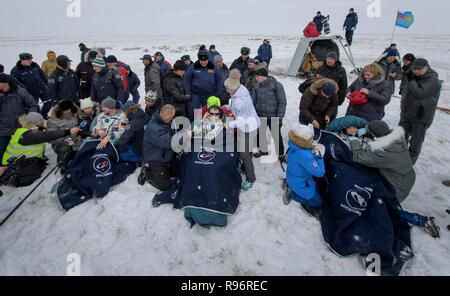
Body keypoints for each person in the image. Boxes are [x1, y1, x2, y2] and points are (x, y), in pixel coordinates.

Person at [349, 120, 439, 237]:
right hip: (406, 177)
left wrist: (354, 139)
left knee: (380, 209)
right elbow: (379, 134)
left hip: (398, 187)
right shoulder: (397, 139)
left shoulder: (384, 153)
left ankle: (419, 219)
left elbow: (359, 157)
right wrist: (366, 131)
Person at [1, 112, 80, 186]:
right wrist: (68, 131)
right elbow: (47, 136)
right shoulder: (27, 134)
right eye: (40, 120)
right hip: (12, 165)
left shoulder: (32, 129)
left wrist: (68, 141)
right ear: (34, 122)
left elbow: (52, 138)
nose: (43, 121)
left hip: (20, 160)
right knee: (32, 172)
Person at [399, 58, 441, 164]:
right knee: (400, 138)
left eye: (419, 69)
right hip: (407, 114)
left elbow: (419, 93)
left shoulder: (433, 80)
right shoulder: (414, 76)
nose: (416, 71)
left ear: (426, 67)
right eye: (414, 69)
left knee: (415, 142)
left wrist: (411, 81)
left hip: (421, 116)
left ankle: (408, 165)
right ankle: (398, 161)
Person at [224, 69, 259, 190]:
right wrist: (228, 106)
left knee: (244, 154)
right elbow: (235, 105)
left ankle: (251, 178)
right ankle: (244, 168)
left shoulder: (240, 101)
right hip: (250, 124)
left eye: (228, 89)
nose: (226, 90)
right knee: (247, 150)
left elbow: (241, 120)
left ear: (233, 88)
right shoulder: (240, 90)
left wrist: (228, 125)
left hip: (248, 127)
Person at [284, 123, 325, 217]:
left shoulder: (293, 145)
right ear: (303, 141)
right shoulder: (305, 156)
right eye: (310, 139)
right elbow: (320, 172)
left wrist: (310, 148)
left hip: (292, 177)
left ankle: (290, 187)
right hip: (301, 183)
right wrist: (318, 154)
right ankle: (293, 195)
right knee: (318, 201)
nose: (312, 140)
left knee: (317, 188)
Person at [0, 73, 38, 170]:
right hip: (3, 127)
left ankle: (28, 163)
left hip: (21, 124)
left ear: (5, 83)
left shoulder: (19, 91)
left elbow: (32, 104)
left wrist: (29, 119)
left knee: (27, 144)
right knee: (1, 149)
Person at [139, 104, 177, 191]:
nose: (172, 119)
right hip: (156, 159)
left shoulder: (165, 122)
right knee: (165, 186)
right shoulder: (153, 127)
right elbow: (168, 142)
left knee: (176, 173)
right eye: (171, 117)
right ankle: (147, 172)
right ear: (165, 115)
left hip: (166, 155)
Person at [251, 68, 287, 159]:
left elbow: (282, 101)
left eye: (258, 76)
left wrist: (280, 117)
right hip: (261, 115)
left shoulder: (276, 85)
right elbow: (253, 101)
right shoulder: (257, 86)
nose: (256, 78)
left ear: (264, 76)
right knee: (260, 133)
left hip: (273, 116)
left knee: (276, 135)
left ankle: (281, 153)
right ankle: (263, 150)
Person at [184, 50, 224, 120]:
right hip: (196, 95)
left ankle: (209, 127)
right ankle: (195, 127)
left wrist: (218, 92)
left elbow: (219, 80)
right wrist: (188, 93)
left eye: (205, 60)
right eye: (201, 60)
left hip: (210, 94)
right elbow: (187, 79)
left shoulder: (213, 67)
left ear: (208, 59)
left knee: (210, 112)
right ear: (198, 59)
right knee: (195, 112)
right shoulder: (193, 67)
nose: (203, 62)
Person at [10, 53, 51, 118]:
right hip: (31, 92)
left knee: (49, 102)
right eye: (29, 60)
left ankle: (44, 115)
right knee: (34, 107)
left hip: (42, 88)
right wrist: (25, 89)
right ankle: (38, 118)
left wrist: (45, 81)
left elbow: (42, 74)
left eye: (31, 59)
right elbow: (15, 84)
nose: (31, 61)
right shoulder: (15, 70)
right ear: (22, 60)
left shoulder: (34, 65)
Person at [46, 100, 80, 172]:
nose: (67, 111)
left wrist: (79, 135)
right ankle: (62, 164)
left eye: (68, 109)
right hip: (61, 142)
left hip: (76, 139)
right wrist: (67, 140)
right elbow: (51, 137)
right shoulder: (53, 120)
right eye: (65, 110)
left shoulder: (75, 114)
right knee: (64, 148)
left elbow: (79, 125)